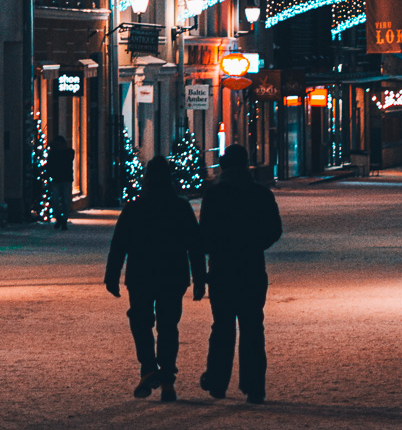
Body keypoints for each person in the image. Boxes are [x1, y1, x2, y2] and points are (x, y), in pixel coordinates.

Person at [105, 156, 205, 403]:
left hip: (141, 274)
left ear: (146, 179)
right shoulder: (181, 207)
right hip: (173, 274)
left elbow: (119, 245)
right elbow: (195, 245)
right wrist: (200, 278)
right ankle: (168, 376)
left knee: (140, 321)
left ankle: (149, 367)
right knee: (169, 325)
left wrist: (112, 275)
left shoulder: (135, 207)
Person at [198, 144, 282, 404]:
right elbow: (274, 229)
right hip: (252, 268)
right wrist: (254, 245)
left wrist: (215, 251)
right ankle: (254, 386)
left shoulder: (215, 195)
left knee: (222, 326)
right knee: (252, 327)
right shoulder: (260, 194)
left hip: (222, 268)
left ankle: (217, 381)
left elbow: (204, 234)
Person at [47, 134, 75, 230]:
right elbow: (49, 165)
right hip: (57, 179)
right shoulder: (54, 153)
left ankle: (63, 221)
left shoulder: (68, 152)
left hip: (65, 179)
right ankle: (59, 219)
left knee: (65, 201)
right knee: (55, 201)